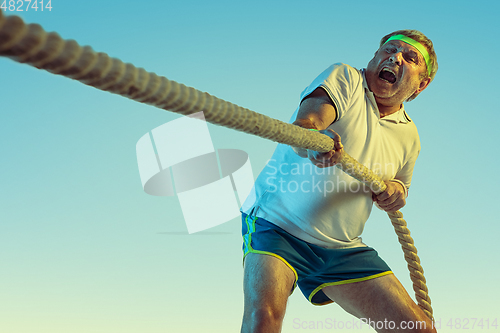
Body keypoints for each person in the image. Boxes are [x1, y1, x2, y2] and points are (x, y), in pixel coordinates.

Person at [240, 30, 438, 333]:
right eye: (389, 49)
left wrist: (397, 192)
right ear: (375, 57)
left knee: (417, 329)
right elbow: (306, 126)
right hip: (278, 225)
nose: (395, 57)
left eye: (409, 58)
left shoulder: (410, 137)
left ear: (421, 85)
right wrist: (315, 139)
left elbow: (400, 187)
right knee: (263, 319)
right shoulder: (345, 78)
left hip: (341, 248)